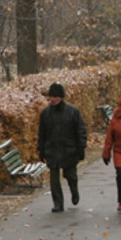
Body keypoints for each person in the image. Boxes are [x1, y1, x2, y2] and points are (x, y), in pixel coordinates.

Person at [37, 82, 88, 213]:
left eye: (55, 96)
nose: (52, 99)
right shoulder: (46, 113)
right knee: (54, 179)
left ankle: (74, 191)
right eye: (50, 96)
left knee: (71, 175)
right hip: (52, 150)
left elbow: (80, 130)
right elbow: (42, 133)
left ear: (61, 97)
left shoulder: (73, 112)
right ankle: (58, 203)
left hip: (69, 150)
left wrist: (81, 147)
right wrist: (41, 149)